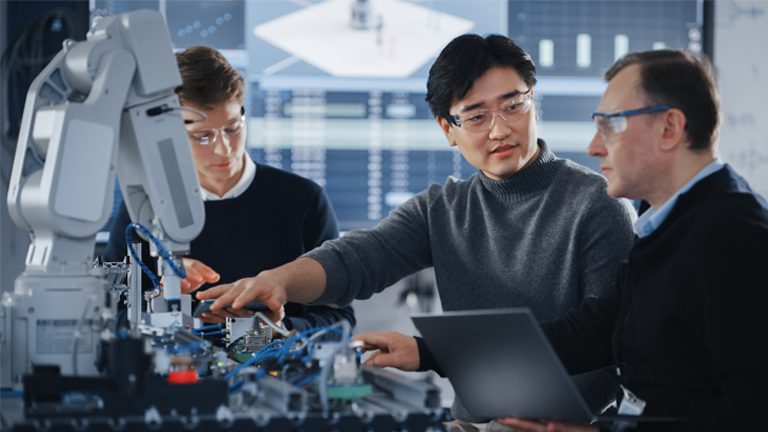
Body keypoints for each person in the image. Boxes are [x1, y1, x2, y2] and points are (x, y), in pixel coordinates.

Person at [198, 34, 636, 422]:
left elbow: (607, 342)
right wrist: (278, 282)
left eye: (512, 105)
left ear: (532, 101)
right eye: (476, 116)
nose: (501, 128)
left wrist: (436, 355)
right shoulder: (444, 208)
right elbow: (359, 258)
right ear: (448, 130)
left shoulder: (598, 203)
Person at [494, 50, 768, 432]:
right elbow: (597, 329)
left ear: (670, 128)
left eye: (609, 126)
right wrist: (434, 352)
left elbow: (752, 413)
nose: (594, 147)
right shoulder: (668, 223)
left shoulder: (737, 238)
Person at [103, 46, 355, 333]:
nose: (223, 149)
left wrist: (277, 330)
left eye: (233, 128)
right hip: (177, 372)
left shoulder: (304, 201)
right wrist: (165, 302)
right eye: (202, 136)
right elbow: (110, 319)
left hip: (277, 371)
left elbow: (341, 320)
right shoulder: (144, 206)